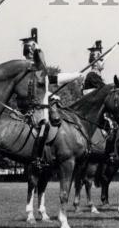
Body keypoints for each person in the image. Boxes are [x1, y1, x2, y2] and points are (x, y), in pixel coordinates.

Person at [19, 28, 83, 168]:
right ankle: (37, 157)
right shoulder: (27, 68)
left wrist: (75, 75)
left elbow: (53, 79)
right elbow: (34, 89)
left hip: (40, 103)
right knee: (44, 124)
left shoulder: (37, 68)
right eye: (31, 49)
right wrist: (49, 95)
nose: (33, 52)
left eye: (34, 49)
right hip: (32, 105)